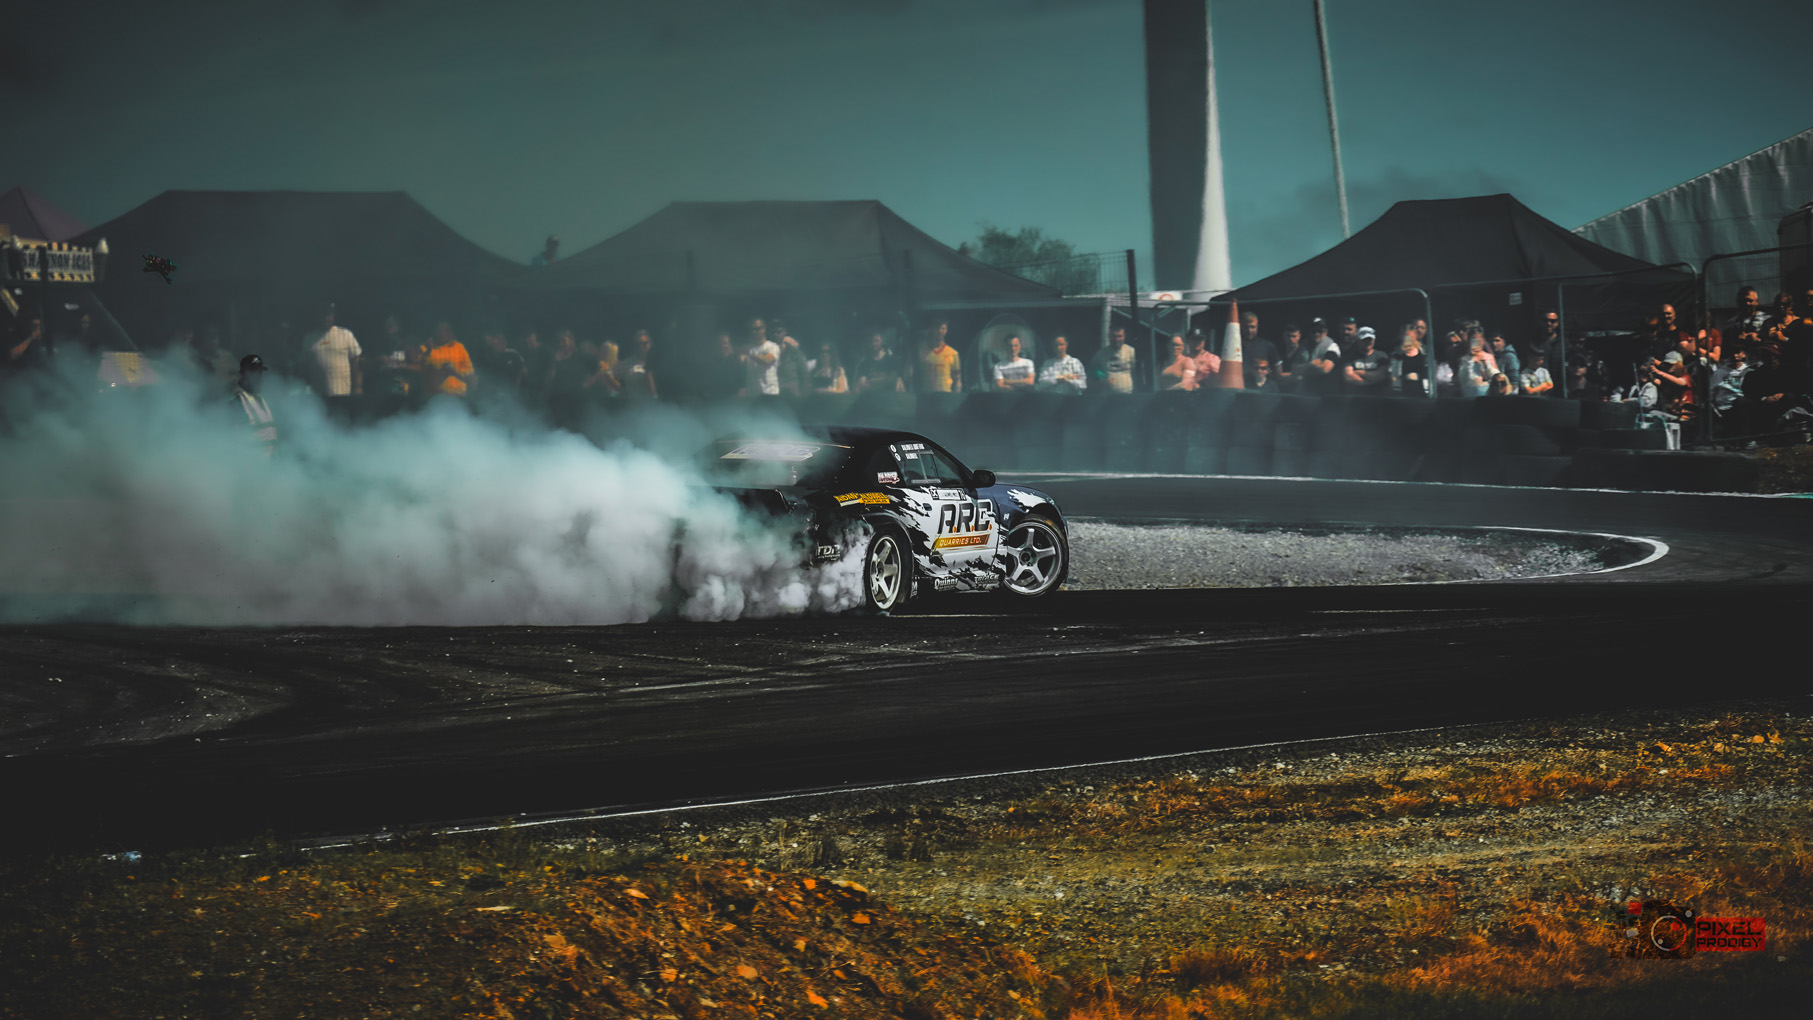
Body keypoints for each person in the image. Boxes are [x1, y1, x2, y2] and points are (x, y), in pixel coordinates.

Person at [306, 303, 362, 399]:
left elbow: (357, 363)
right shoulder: (309, 338)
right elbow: (304, 367)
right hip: (318, 397)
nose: (326, 318)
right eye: (323, 314)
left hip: (343, 394)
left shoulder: (346, 335)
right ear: (317, 316)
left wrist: (358, 388)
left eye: (329, 315)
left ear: (333, 316)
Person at [231, 354, 277, 457]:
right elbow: (234, 442)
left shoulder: (261, 399)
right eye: (254, 372)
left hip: (269, 463)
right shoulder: (237, 402)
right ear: (244, 374)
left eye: (260, 372)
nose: (259, 376)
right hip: (252, 463)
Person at [423, 321, 474, 397]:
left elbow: (470, 378)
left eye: (445, 330)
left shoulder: (459, 348)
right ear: (434, 332)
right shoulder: (428, 349)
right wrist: (442, 373)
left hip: (461, 396)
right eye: (439, 330)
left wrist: (453, 373)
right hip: (438, 397)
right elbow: (426, 381)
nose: (442, 333)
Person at [1341, 327, 1391, 394]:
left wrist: (1359, 372)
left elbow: (1380, 376)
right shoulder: (1350, 356)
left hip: (1377, 396)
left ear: (1374, 340)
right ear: (1358, 340)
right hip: (1356, 396)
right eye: (1364, 340)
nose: (1367, 342)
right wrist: (1370, 381)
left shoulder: (1381, 356)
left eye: (1370, 339)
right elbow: (1349, 376)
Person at [1089, 326, 1136, 394]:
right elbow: (1091, 376)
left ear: (1124, 336)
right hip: (1108, 396)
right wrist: (1101, 383)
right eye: (1113, 336)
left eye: (1119, 336)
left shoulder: (1131, 352)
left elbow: (1137, 374)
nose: (1116, 339)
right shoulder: (1101, 354)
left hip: (1129, 395)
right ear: (1109, 336)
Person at [1302, 318, 1342, 396]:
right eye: (1314, 331)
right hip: (1305, 392)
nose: (1316, 334)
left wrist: (1303, 369)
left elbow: (1324, 369)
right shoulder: (1303, 345)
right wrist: (1311, 364)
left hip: (1325, 394)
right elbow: (1294, 369)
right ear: (1309, 331)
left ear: (1326, 332)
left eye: (1320, 331)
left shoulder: (1332, 346)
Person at [919, 320, 961, 393]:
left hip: (946, 395)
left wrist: (956, 397)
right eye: (936, 328)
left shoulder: (953, 353)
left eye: (943, 328)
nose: (939, 332)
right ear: (932, 330)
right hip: (927, 396)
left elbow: (957, 380)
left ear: (946, 330)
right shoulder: (923, 353)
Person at [744, 318, 781, 396]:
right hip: (753, 395)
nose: (755, 332)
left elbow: (767, 360)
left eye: (758, 329)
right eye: (753, 329)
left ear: (764, 329)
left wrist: (749, 354)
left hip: (770, 393)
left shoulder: (773, 346)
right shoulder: (748, 348)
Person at [1239, 311, 1277, 387]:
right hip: (1239, 387)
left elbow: (1277, 373)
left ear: (1257, 327)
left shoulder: (1267, 346)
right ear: (1240, 326)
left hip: (1262, 389)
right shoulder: (1233, 347)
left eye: (1252, 327)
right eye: (1246, 327)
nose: (1249, 330)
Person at [1392, 328, 1429, 398]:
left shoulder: (1424, 353)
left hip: (1421, 390)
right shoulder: (1397, 355)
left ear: (1416, 336)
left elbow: (1429, 372)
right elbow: (1393, 375)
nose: (1409, 339)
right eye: (1407, 336)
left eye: (1411, 337)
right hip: (1402, 390)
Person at [620, 329, 657, 397]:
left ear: (651, 344)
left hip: (657, 402)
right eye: (640, 344)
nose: (644, 346)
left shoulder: (658, 363)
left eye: (646, 343)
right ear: (635, 346)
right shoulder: (625, 364)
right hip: (635, 402)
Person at [1275, 323, 1307, 392]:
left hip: (1298, 391)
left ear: (1299, 336)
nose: (1291, 339)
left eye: (1294, 336)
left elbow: (1301, 377)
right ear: (1283, 336)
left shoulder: (1304, 353)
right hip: (1280, 390)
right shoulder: (1278, 352)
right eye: (1288, 336)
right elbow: (1276, 376)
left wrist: (1282, 376)